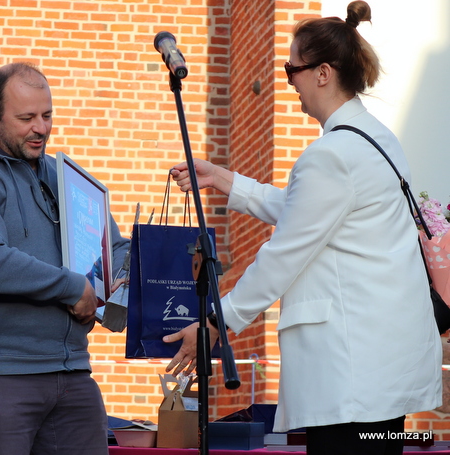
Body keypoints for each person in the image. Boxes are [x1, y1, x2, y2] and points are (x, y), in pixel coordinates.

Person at [163, 2, 441, 454]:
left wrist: (218, 321)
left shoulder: (331, 155)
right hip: (381, 377)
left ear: (323, 73)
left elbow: (285, 254)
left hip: (350, 381)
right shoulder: (376, 139)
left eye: (292, 69)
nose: (289, 80)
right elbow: (311, 216)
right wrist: (224, 179)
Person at [0, 62, 130, 455]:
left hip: (73, 371)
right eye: (26, 118)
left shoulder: (67, 178)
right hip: (0, 375)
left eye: (47, 115)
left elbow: (113, 249)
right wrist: (75, 287)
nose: (40, 127)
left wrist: (134, 275)